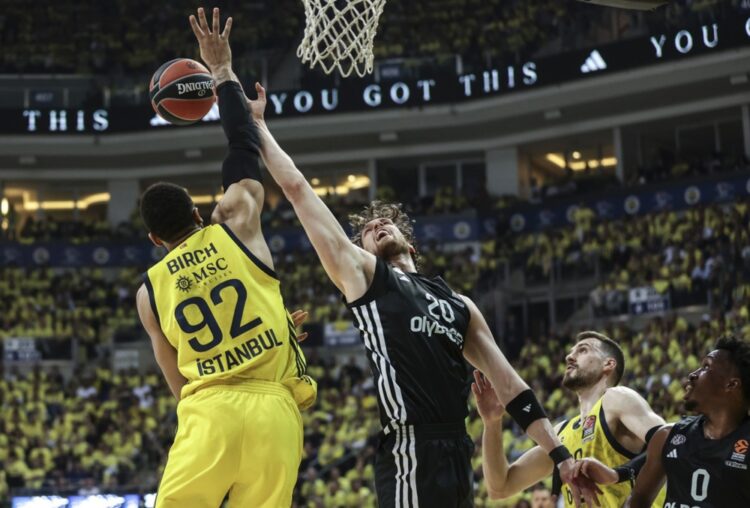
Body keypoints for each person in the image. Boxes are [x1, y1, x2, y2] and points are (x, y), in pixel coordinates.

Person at [243, 83, 598, 507]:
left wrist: (560, 456)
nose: (376, 226)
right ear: (360, 251)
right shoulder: (366, 278)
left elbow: (511, 386)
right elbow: (298, 189)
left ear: (410, 245)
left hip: (456, 450)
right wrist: (259, 126)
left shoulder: (459, 304)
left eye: (384, 223)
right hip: (409, 449)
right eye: (367, 231)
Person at [135, 8, 315, 508]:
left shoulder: (148, 292)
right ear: (198, 212)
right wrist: (221, 71)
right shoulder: (236, 223)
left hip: (209, 410)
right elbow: (241, 145)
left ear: (155, 239)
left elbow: (177, 382)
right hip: (273, 410)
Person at [472, 331, 666, 507]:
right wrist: (492, 423)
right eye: (572, 351)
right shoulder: (560, 434)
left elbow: (670, 441)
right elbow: (500, 487)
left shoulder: (616, 398)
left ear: (608, 364)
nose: (569, 356)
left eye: (583, 350)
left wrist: (618, 474)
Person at [622, 335, 750, 507]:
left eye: (706, 367)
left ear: (731, 384)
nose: (692, 374)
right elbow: (637, 500)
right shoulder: (666, 436)